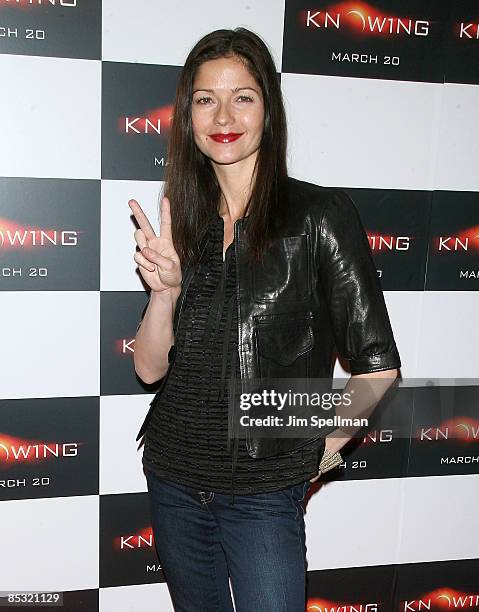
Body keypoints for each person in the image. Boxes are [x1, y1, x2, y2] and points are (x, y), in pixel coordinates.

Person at [128, 27, 401, 612]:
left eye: (242, 96)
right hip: (174, 477)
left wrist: (312, 458)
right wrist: (164, 293)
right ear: (188, 113)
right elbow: (150, 371)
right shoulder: (186, 223)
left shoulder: (320, 216)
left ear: (268, 109)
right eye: (206, 98)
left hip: (262, 492)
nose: (223, 114)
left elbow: (378, 367)